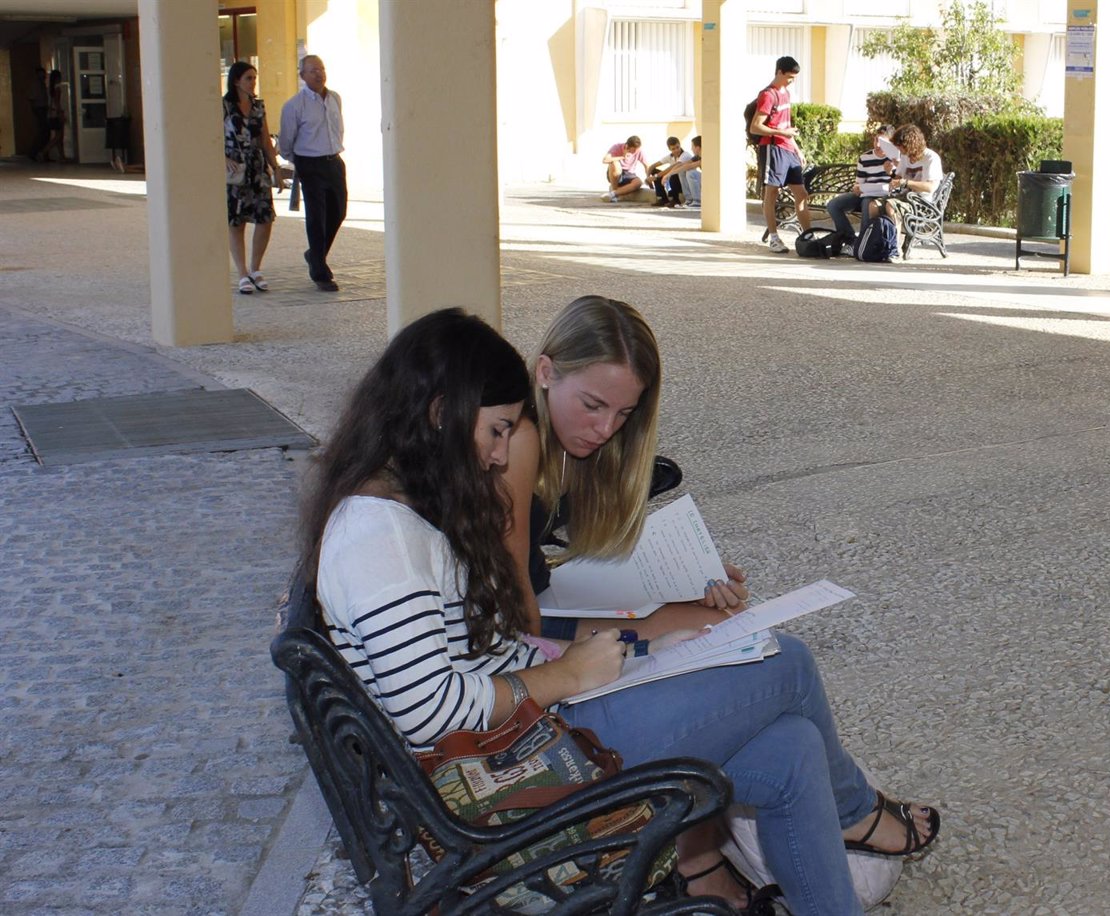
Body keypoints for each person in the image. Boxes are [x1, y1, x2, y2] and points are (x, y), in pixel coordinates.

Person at [301, 308, 941, 916]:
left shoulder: (400, 512)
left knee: (794, 746)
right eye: (497, 429)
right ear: (440, 414)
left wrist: (638, 654)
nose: (500, 455)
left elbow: (484, 651)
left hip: (526, 742)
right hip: (502, 785)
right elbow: (427, 713)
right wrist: (568, 675)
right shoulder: (380, 534)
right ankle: (860, 815)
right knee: (789, 662)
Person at [500, 296, 748, 645]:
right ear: (545, 372)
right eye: (592, 405)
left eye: (624, 413)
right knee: (721, 629)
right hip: (504, 625)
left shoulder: (582, 448)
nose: (606, 429)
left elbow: (578, 564)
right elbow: (516, 617)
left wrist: (682, 581)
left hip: (536, 602)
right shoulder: (516, 441)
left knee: (726, 619)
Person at [278, 55, 346, 292]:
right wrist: (298, 161)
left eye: (322, 69)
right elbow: (286, 140)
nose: (319, 73)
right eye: (313, 70)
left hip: (334, 161)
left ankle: (314, 254)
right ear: (302, 75)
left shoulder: (335, 98)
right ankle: (320, 271)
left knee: (338, 211)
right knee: (316, 217)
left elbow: (339, 129)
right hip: (310, 164)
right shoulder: (295, 105)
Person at [223, 62, 284, 295]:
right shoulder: (225, 106)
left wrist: (275, 167)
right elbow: (210, 137)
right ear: (236, 80)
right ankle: (241, 272)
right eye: (248, 78)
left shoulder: (258, 107)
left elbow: (265, 140)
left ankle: (256, 268)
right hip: (236, 169)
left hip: (257, 168)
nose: (253, 82)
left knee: (265, 217)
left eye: (254, 78)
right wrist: (222, 158)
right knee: (236, 222)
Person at [752, 56, 810, 254]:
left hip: (787, 148)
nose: (791, 81)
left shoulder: (786, 94)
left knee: (801, 193)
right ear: (778, 72)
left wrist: (797, 148)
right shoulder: (768, 95)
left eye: (794, 78)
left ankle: (808, 234)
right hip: (772, 148)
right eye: (789, 77)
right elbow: (756, 126)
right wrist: (781, 134)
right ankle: (774, 238)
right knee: (772, 192)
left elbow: (786, 125)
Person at [826, 124, 897, 256]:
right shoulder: (865, 157)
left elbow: (898, 183)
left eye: (882, 142)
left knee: (867, 203)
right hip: (865, 193)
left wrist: (892, 171)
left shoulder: (895, 158)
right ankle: (851, 241)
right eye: (876, 140)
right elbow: (859, 183)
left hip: (883, 197)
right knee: (833, 205)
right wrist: (857, 188)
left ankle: (863, 245)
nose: (878, 145)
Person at [884, 123, 943, 260]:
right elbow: (899, 177)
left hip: (922, 203)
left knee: (891, 206)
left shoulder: (931, 158)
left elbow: (930, 187)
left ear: (910, 143)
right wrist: (891, 174)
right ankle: (876, 244)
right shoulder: (905, 157)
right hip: (906, 197)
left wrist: (906, 182)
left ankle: (894, 249)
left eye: (901, 146)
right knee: (873, 205)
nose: (899, 149)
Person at [646, 136, 691, 208]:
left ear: (680, 145)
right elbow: (652, 166)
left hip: (685, 183)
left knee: (673, 173)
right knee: (655, 171)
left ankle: (675, 200)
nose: (676, 150)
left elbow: (674, 167)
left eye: (677, 147)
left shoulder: (685, 155)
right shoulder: (670, 156)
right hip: (674, 181)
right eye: (673, 149)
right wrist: (648, 178)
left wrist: (656, 176)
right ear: (669, 149)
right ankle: (663, 199)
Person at [600, 135, 646, 203]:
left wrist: (650, 179)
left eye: (637, 150)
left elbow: (647, 165)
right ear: (627, 146)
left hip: (629, 173)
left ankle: (613, 194)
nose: (635, 152)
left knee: (639, 182)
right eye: (633, 150)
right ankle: (614, 191)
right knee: (614, 163)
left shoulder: (639, 151)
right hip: (616, 172)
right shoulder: (616, 146)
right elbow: (605, 160)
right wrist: (622, 157)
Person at [662, 134, 702, 208]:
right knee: (682, 171)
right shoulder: (697, 156)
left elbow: (687, 166)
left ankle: (698, 201)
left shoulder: (705, 156)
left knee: (690, 173)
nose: (691, 149)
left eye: (692, 146)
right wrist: (668, 175)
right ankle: (689, 200)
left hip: (712, 183)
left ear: (698, 147)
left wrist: (668, 175)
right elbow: (682, 165)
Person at [38, 70, 67, 163]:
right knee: (59, 136)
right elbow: (57, 102)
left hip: (50, 114)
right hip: (56, 113)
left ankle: (62, 156)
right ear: (58, 78)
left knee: (58, 136)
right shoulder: (57, 88)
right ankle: (43, 152)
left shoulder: (48, 88)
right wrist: (60, 113)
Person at [27, 67, 48, 161]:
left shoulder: (42, 84)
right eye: (41, 74)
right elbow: (32, 97)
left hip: (43, 108)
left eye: (43, 74)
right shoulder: (36, 84)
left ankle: (40, 153)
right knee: (42, 132)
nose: (43, 76)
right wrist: (35, 109)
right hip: (39, 109)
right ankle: (34, 153)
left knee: (44, 132)